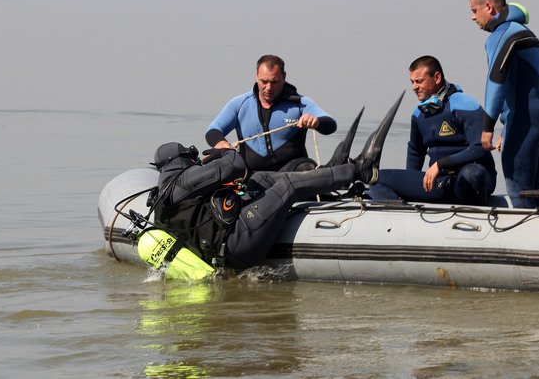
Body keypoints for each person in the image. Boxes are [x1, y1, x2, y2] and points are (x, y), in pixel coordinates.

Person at [150, 94, 403, 270]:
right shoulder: (184, 181)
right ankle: (359, 170)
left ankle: (331, 173)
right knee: (287, 187)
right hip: (237, 245)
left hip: (223, 246)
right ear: (180, 160)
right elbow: (235, 165)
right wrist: (223, 153)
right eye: (190, 156)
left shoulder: (164, 198)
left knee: (260, 178)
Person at [469, 0, 539, 208]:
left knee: (520, 193)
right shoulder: (524, 31)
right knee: (535, 190)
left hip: (524, 122)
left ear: (488, 7)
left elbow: (496, 80)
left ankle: (530, 241)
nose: (472, 17)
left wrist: (488, 127)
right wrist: (507, 127)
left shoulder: (501, 35)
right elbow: (521, 85)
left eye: (474, 10)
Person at [369, 56, 496, 205]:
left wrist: (440, 164)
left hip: (469, 179)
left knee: (472, 173)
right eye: (412, 82)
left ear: (436, 78)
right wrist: (410, 185)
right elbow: (415, 151)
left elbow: (479, 148)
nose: (414, 87)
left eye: (419, 81)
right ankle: (402, 215)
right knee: (376, 178)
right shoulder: (418, 114)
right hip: (440, 182)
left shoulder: (464, 104)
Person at [205, 55, 337, 173]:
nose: (268, 88)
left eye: (274, 82)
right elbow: (213, 131)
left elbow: (330, 125)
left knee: (308, 168)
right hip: (251, 175)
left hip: (292, 173)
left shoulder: (300, 103)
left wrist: (316, 121)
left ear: (284, 77)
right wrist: (220, 142)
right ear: (256, 76)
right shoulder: (239, 104)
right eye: (264, 81)